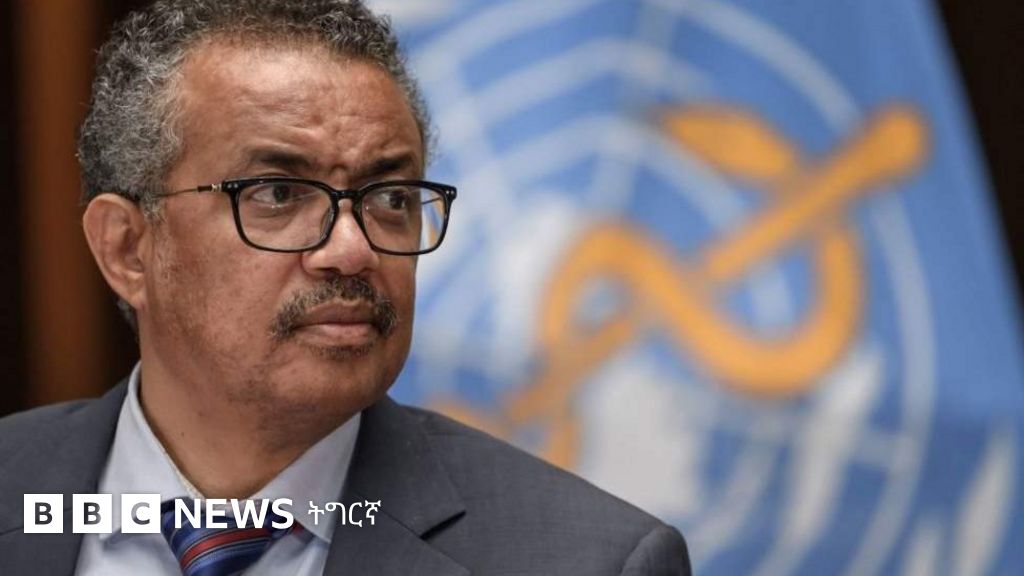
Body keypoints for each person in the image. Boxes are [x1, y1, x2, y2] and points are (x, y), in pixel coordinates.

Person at [0, 1, 691, 574]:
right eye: (278, 193)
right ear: (128, 248)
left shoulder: (587, 560)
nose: (353, 249)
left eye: (390, 198)